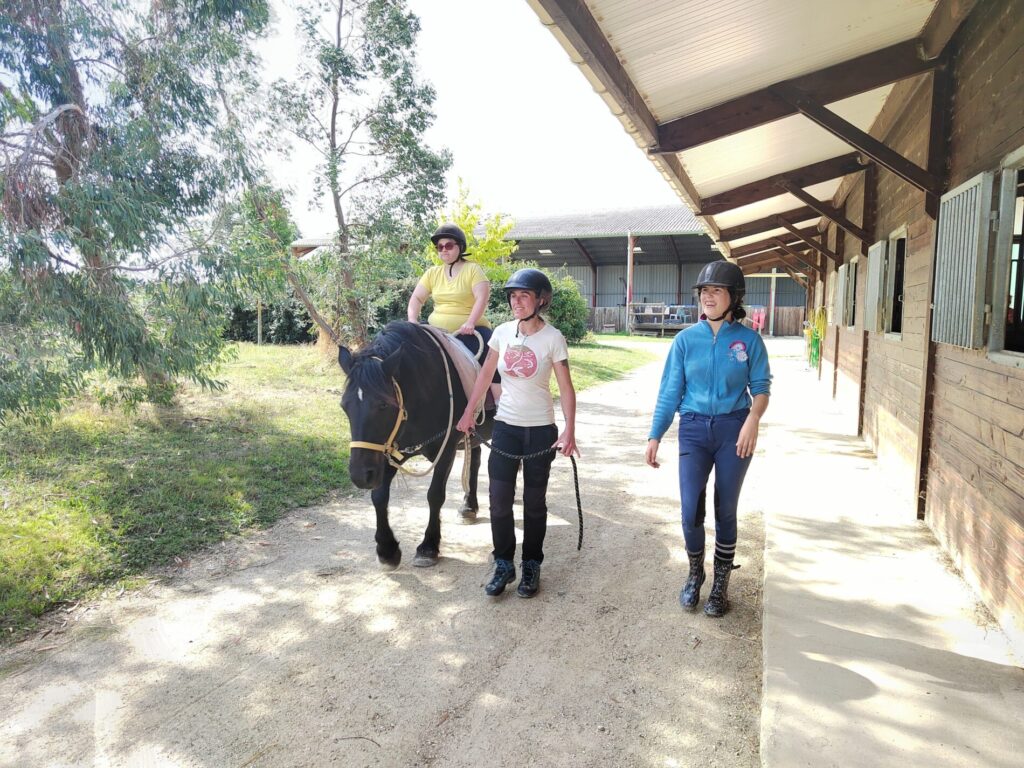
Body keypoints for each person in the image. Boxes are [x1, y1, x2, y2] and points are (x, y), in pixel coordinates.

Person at [645, 260, 771, 618]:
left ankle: (720, 584)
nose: (708, 296)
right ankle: (695, 572)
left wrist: (753, 419)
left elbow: (761, 388)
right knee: (690, 510)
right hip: (695, 429)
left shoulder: (749, 340)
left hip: (735, 430)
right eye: (704, 291)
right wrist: (656, 434)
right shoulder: (685, 341)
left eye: (716, 290)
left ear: (734, 297)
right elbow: (670, 391)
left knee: (725, 509)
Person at [456, 268, 578, 599]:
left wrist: (569, 431)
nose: (516, 302)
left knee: (535, 505)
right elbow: (484, 374)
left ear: (541, 300)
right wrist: (469, 411)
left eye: (524, 295)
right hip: (506, 428)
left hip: (540, 431)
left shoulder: (553, 338)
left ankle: (532, 564)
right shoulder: (502, 333)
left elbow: (566, 388)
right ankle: (503, 564)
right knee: (498, 502)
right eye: (512, 296)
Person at [408, 223, 500, 401]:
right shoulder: (432, 273)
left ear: (460, 247)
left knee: (491, 357)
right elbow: (417, 299)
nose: (443, 250)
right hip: (437, 332)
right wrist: (412, 320)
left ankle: (499, 405)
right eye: (439, 247)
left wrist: (471, 322)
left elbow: (482, 298)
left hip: (470, 331)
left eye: (448, 245)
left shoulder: (473, 269)